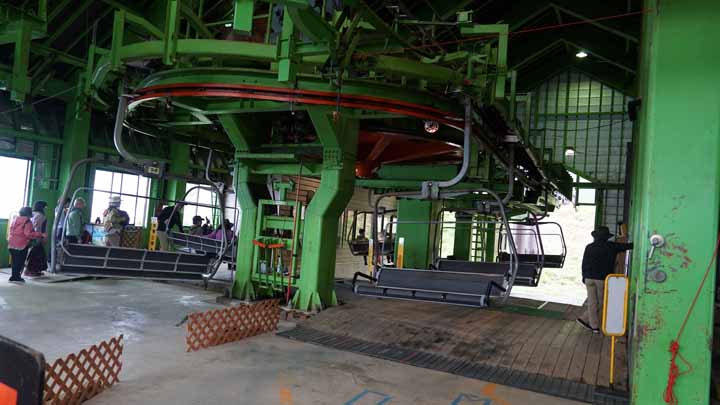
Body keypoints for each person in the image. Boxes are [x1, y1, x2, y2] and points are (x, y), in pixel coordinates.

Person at [577, 226, 633, 333]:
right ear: (607, 237)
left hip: (588, 278)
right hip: (602, 279)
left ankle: (588, 322)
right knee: (601, 302)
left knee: (592, 302)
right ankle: (589, 323)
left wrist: (583, 276)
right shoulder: (611, 246)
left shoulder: (589, 247)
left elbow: (584, 263)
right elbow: (629, 246)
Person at [8, 207, 44, 283]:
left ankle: (14, 276)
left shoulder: (15, 219)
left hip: (11, 243)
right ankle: (16, 277)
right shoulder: (27, 221)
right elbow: (28, 234)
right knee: (20, 262)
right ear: (29, 213)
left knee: (14, 261)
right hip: (21, 244)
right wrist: (41, 234)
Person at [25, 201, 48, 277]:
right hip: (37, 237)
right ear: (41, 207)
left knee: (37, 254)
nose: (45, 208)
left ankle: (35, 270)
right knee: (36, 255)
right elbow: (38, 227)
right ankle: (29, 271)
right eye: (45, 207)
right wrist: (41, 237)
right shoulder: (40, 215)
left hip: (31, 237)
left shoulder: (32, 214)